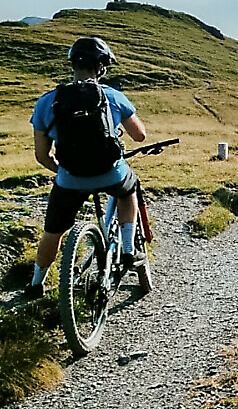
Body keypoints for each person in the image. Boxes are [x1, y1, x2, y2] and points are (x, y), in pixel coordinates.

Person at [23, 36, 147, 299]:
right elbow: (140, 137)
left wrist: (64, 172)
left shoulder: (47, 101)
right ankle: (128, 250)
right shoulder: (112, 96)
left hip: (70, 179)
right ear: (101, 67)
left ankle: (35, 284)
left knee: (53, 232)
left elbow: (41, 155)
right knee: (129, 188)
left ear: (73, 65)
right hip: (110, 173)